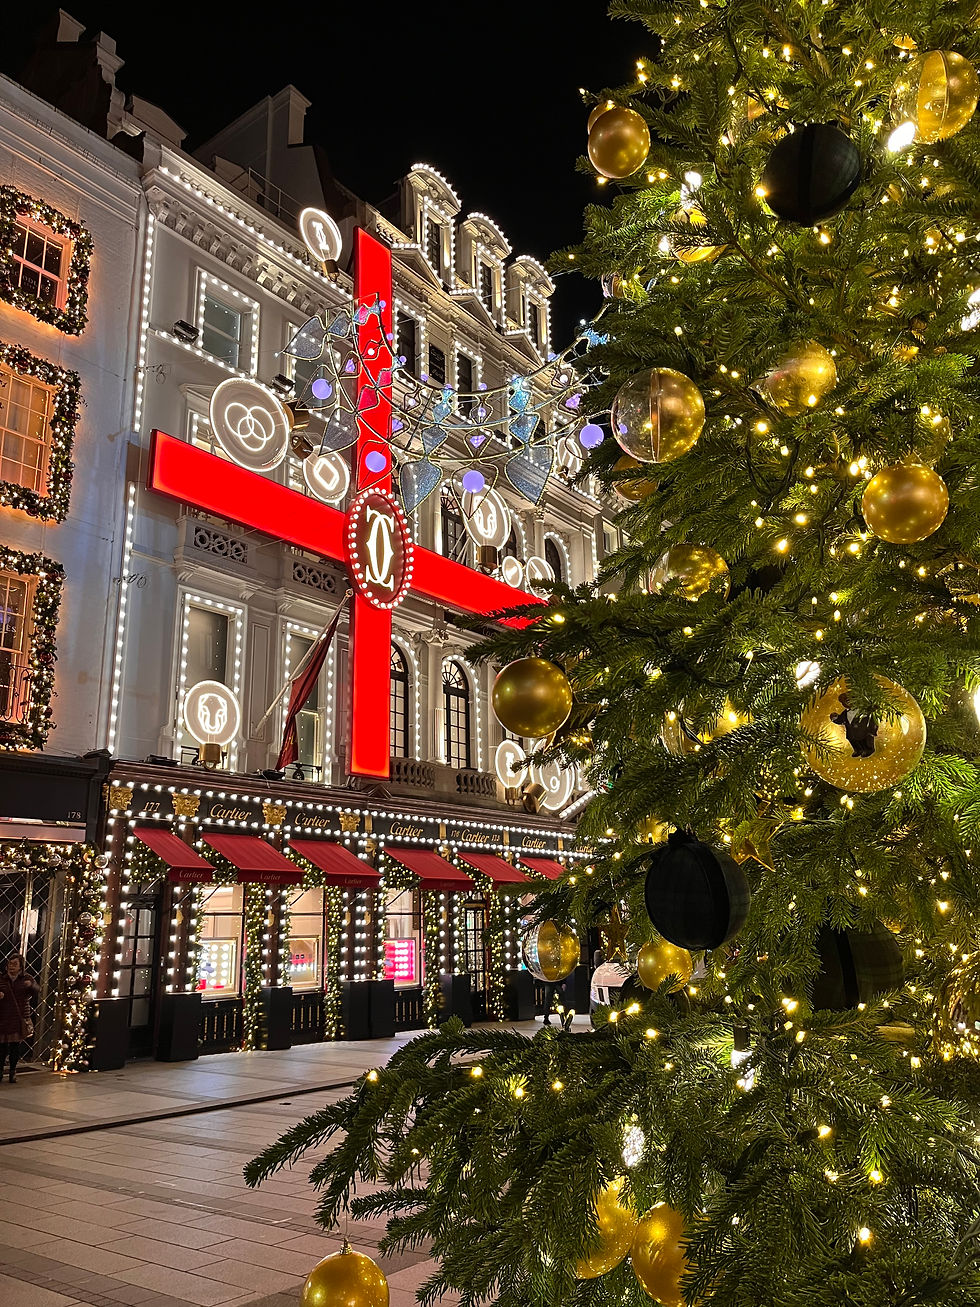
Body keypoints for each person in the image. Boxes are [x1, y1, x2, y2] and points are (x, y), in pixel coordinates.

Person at [0, 954, 38, 1083]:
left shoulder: (26, 979)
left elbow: (37, 990)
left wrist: (31, 986)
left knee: (15, 1047)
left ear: (21, 966)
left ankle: (12, 1071)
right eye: (10, 964)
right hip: (3, 1017)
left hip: (18, 1017)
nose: (11, 967)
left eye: (15, 964)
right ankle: (0, 1071)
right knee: (2, 1048)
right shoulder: (2, 979)